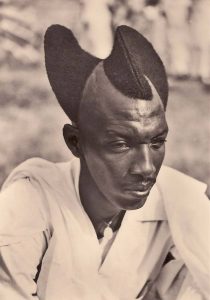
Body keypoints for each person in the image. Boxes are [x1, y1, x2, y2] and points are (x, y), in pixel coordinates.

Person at [0, 25, 209, 300]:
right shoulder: (32, 199)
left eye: (157, 142)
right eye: (120, 144)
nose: (146, 167)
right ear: (76, 142)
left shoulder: (179, 204)